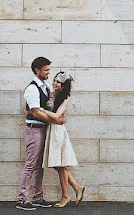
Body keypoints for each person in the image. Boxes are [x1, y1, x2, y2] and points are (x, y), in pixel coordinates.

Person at [17, 57, 67, 210]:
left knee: (39, 166)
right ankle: (22, 199)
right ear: (37, 70)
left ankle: (38, 197)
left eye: (49, 70)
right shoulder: (32, 88)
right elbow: (36, 113)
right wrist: (55, 120)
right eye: (46, 70)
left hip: (42, 130)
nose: (48, 73)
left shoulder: (44, 87)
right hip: (34, 130)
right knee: (31, 165)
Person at [40, 71, 85, 207]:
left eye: (58, 82)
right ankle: (77, 187)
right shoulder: (51, 94)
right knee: (58, 164)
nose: (55, 83)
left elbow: (57, 116)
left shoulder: (65, 98)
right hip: (52, 130)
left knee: (60, 165)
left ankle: (66, 196)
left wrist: (40, 110)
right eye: (54, 80)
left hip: (58, 132)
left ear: (64, 85)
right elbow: (55, 118)